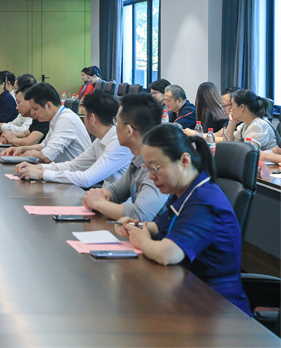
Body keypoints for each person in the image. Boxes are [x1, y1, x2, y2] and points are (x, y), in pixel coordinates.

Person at [115, 124, 251, 316]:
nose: (151, 177)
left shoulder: (204, 202)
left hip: (218, 310)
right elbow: (162, 226)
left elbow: (167, 254)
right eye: (147, 169)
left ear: (184, 161)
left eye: (155, 168)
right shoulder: (184, 192)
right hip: (187, 295)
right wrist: (138, 226)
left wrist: (142, 240)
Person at [18, 91, 132, 188]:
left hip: (117, 204)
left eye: (84, 114)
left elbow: (87, 179)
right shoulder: (100, 140)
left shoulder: (118, 143)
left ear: (92, 118)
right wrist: (40, 167)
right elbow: (74, 166)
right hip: (103, 197)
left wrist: (41, 174)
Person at [83, 93, 167, 221]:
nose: (114, 127)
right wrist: (97, 195)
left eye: (117, 122)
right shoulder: (138, 159)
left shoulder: (159, 164)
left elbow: (139, 215)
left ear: (129, 130)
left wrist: (98, 203)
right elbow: (116, 191)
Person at [0, 82, 91, 163]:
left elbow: (47, 156)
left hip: (75, 174)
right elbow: (43, 146)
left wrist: (31, 153)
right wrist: (20, 149)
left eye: (35, 109)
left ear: (48, 106)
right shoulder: (56, 118)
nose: (32, 113)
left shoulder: (66, 120)